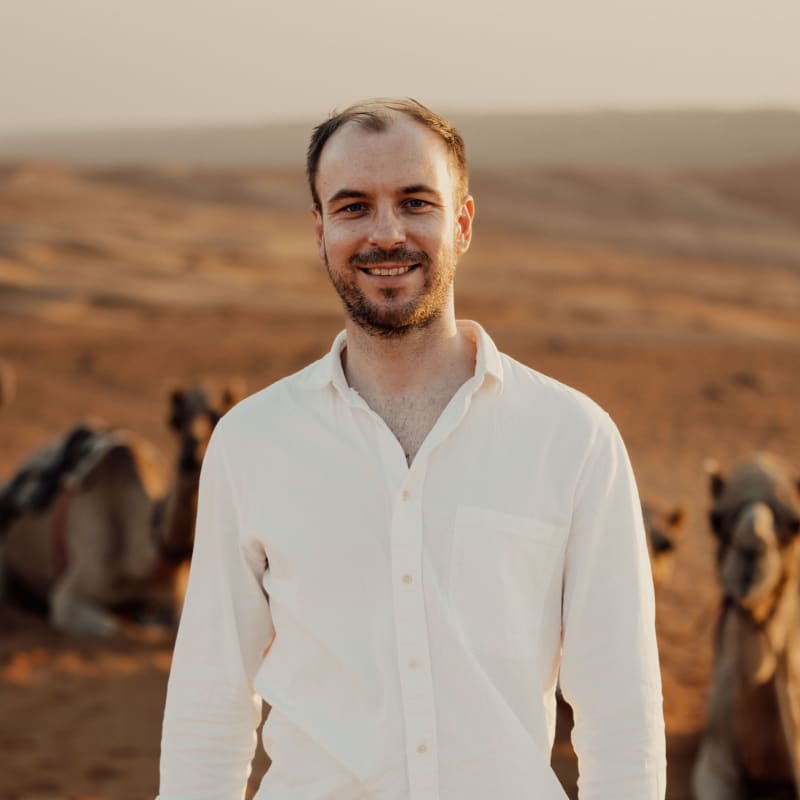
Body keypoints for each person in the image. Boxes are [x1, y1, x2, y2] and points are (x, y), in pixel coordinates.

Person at [157, 98, 666, 800]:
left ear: (461, 223)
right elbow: (209, 705)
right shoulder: (251, 442)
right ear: (320, 230)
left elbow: (621, 715)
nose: (386, 234)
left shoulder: (573, 439)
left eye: (415, 202)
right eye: (353, 207)